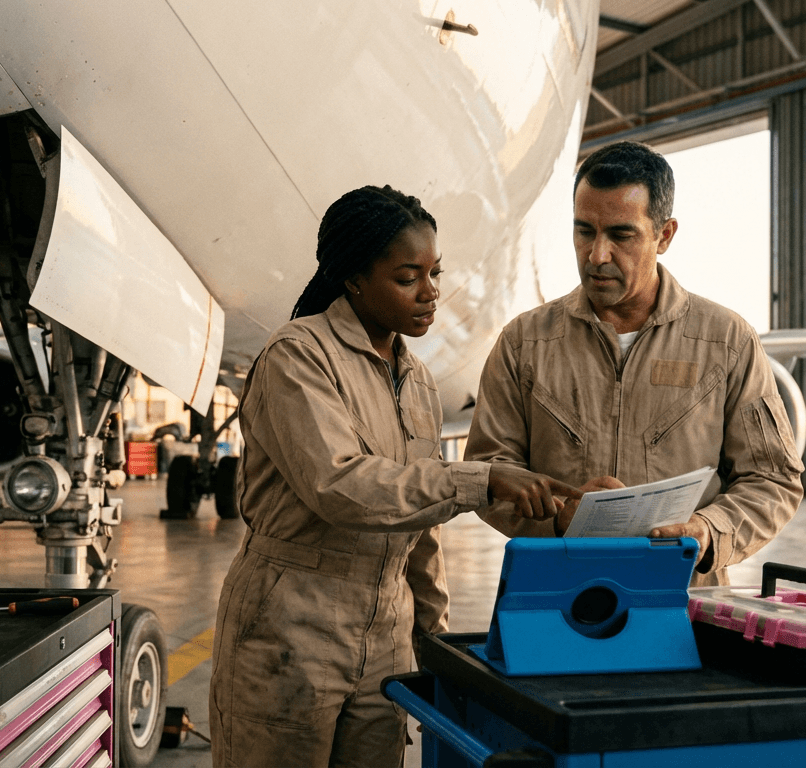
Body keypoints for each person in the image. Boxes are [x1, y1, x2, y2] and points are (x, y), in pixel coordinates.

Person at [209, 185, 579, 767]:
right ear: (354, 278)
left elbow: (420, 526)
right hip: (291, 627)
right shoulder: (297, 356)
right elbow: (342, 486)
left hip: (386, 634)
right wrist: (479, 480)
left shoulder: (419, 382)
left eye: (435, 273)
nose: (431, 292)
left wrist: (436, 644)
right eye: (409, 277)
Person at [464, 141, 804, 586]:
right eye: (584, 231)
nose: (597, 255)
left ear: (664, 235)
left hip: (683, 608)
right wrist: (560, 518)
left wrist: (707, 531)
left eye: (621, 235)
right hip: (556, 605)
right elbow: (487, 474)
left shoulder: (727, 341)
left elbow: (772, 480)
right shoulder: (524, 343)